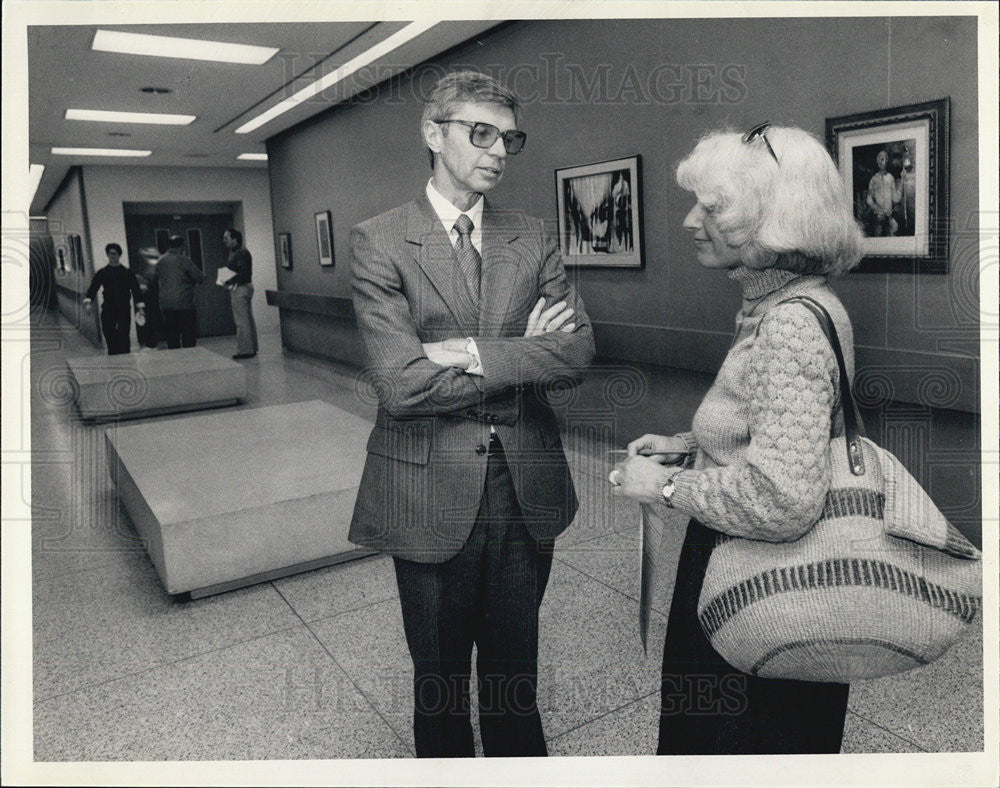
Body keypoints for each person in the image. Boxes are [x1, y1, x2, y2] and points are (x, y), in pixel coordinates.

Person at [348, 71, 595, 758]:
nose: (496, 152)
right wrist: (522, 355)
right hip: (425, 490)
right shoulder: (381, 241)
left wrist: (471, 354)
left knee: (516, 679)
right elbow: (399, 386)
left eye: (508, 139)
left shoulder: (533, 236)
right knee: (441, 685)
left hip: (525, 488)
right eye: (479, 133)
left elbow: (576, 354)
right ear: (434, 134)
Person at [611, 124, 863, 754]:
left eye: (713, 206)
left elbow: (783, 498)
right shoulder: (795, 302)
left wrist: (667, 484)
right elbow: (777, 437)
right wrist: (690, 448)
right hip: (757, 575)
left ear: (775, 217)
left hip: (755, 585)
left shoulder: (788, 326)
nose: (692, 221)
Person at [83, 243, 145, 355]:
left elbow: (136, 290)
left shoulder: (127, 272)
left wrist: (140, 307)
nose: (113, 256)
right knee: (110, 336)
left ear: (119, 255)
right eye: (110, 254)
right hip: (108, 309)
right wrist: (88, 302)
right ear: (107, 255)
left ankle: (126, 361)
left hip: (124, 308)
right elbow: (93, 288)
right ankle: (114, 360)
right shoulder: (102, 272)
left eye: (115, 254)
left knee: (124, 336)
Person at [153, 235, 204, 349]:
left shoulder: (160, 260)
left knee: (172, 337)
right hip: (184, 304)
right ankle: (189, 362)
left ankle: (175, 363)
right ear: (182, 246)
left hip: (166, 305)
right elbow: (199, 277)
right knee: (188, 337)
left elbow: (153, 278)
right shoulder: (183, 259)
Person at [220, 228, 258, 359]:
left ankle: (245, 350)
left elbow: (243, 274)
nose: (224, 241)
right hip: (244, 287)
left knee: (241, 320)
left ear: (235, 239)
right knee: (247, 318)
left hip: (240, 288)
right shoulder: (238, 252)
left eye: (227, 237)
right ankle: (251, 347)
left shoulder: (240, 253)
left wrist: (227, 280)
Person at [865, 149, 900, 236]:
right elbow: (869, 200)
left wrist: (902, 181)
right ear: (877, 161)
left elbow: (896, 199)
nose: (885, 161)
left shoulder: (891, 178)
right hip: (878, 217)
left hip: (890, 217)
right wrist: (878, 209)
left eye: (886, 159)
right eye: (882, 159)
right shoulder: (873, 179)